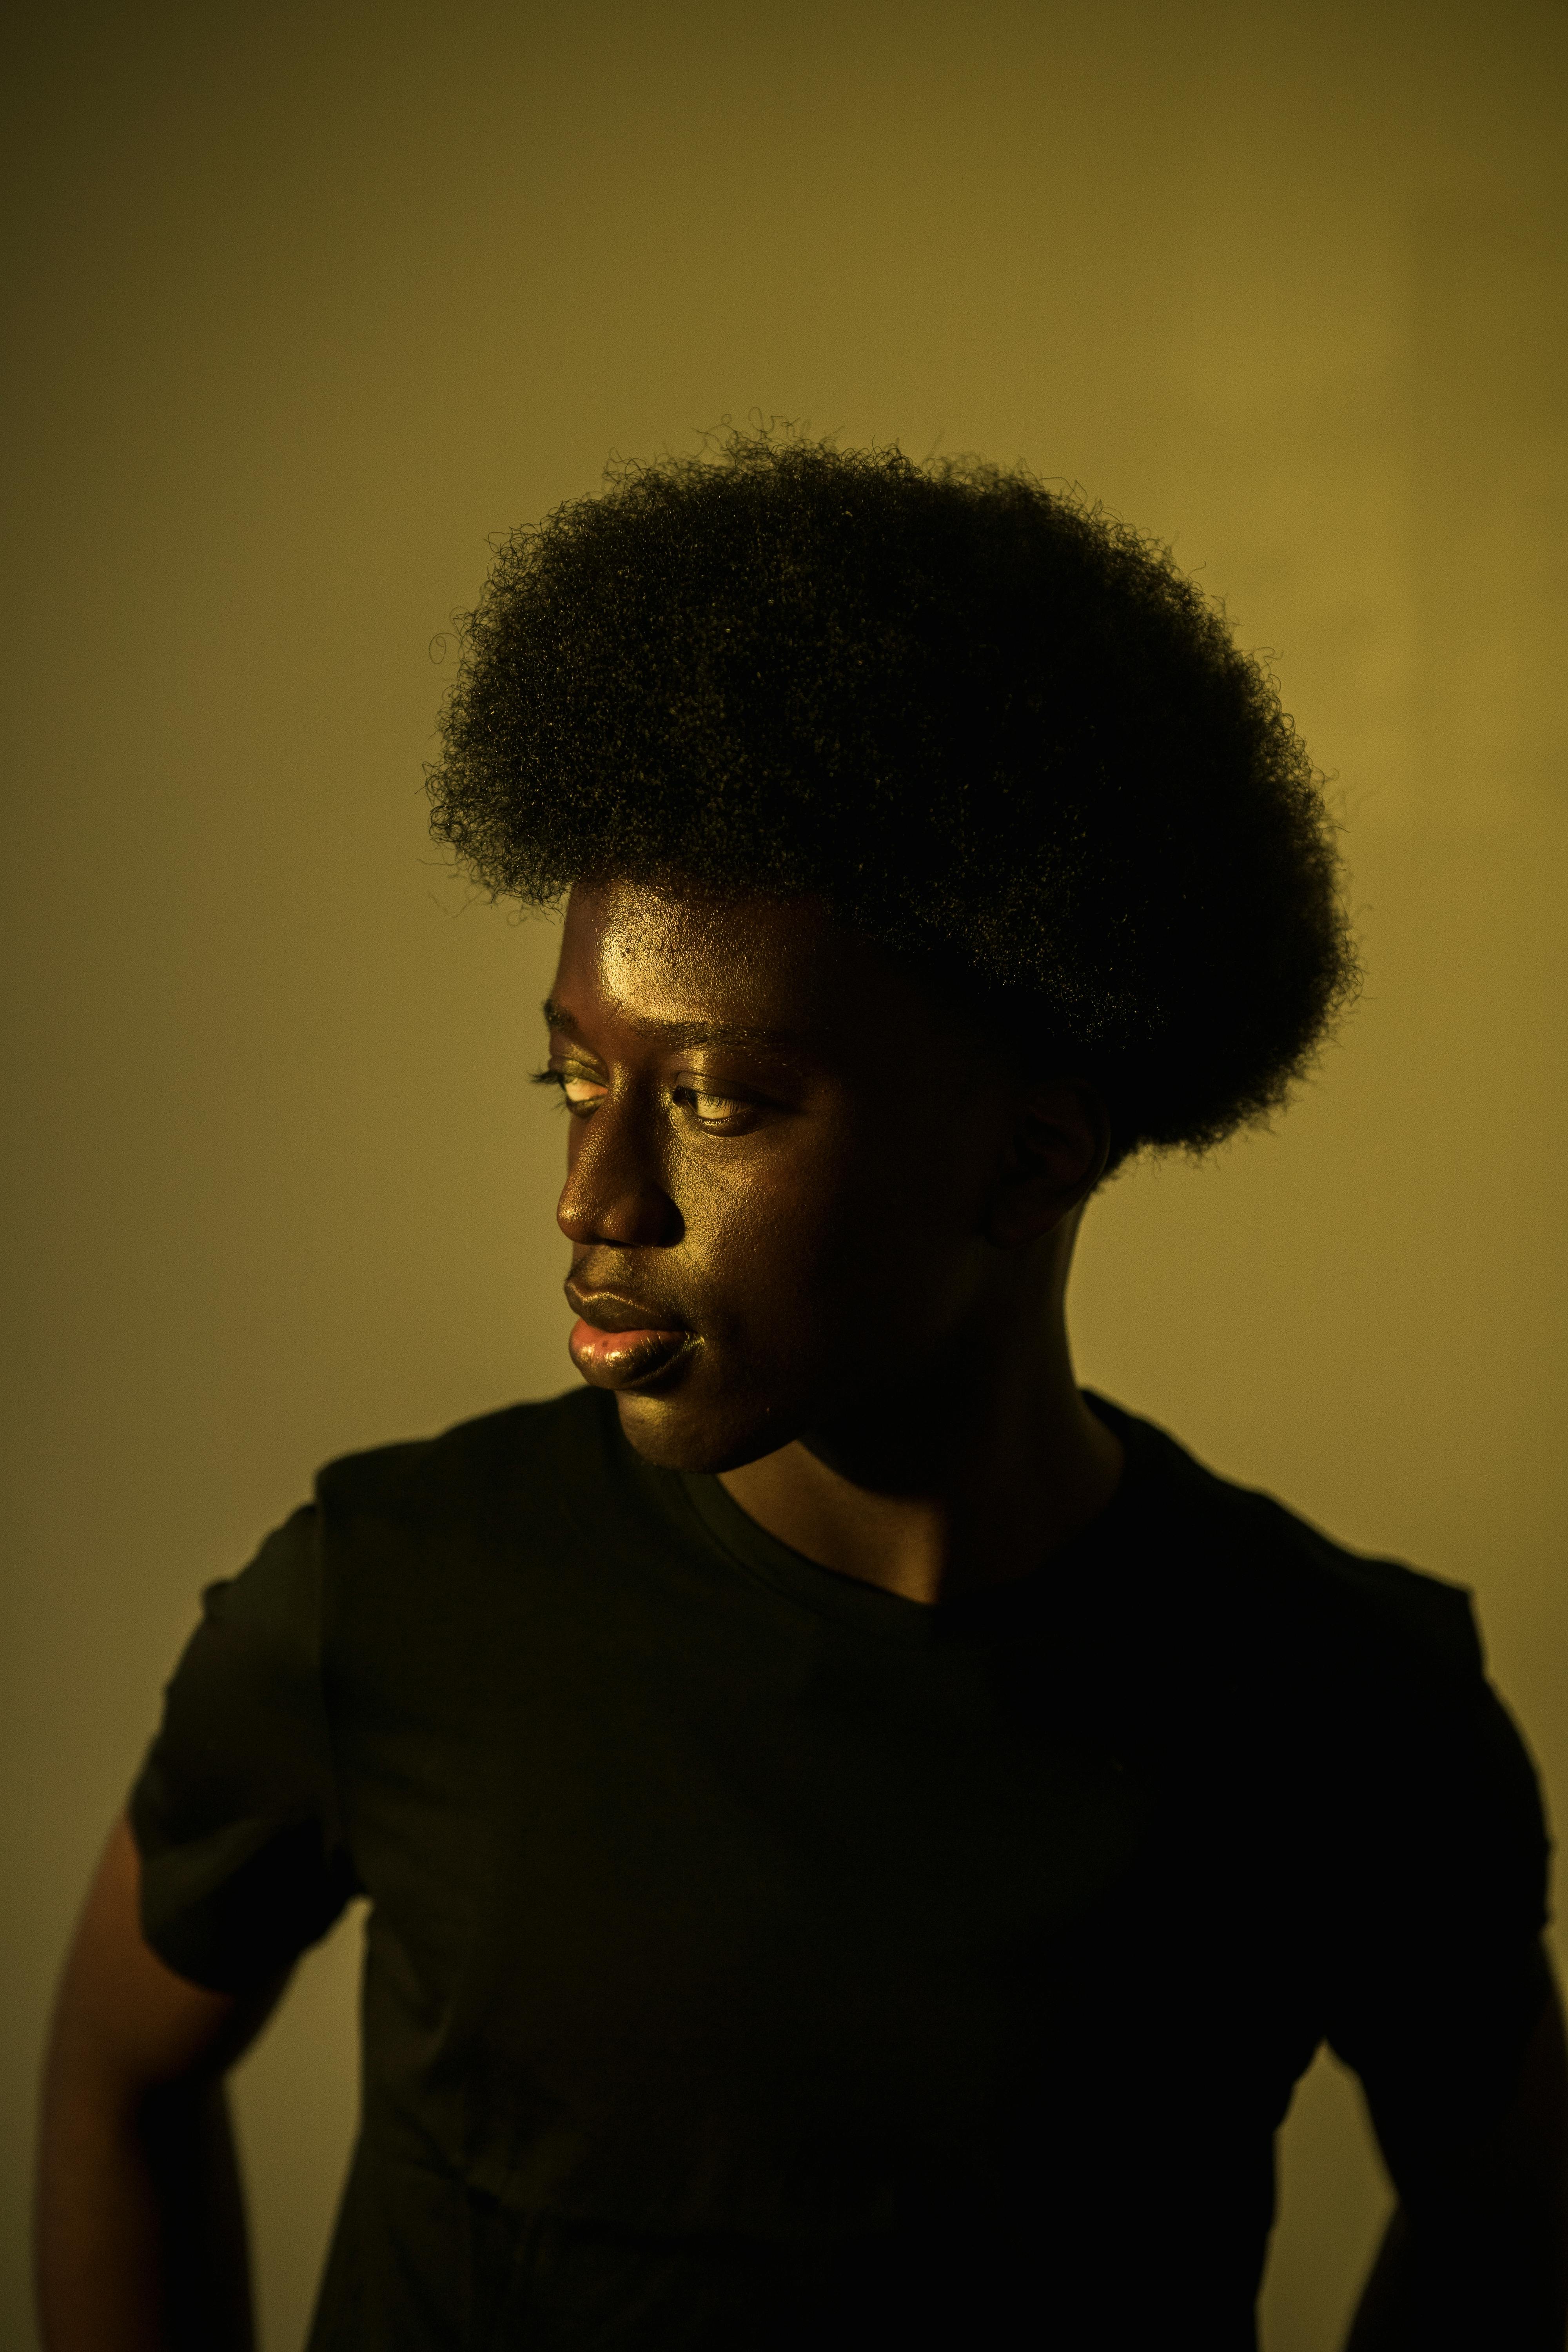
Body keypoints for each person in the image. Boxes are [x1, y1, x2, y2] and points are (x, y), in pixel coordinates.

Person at [34, 430, 1566, 2350]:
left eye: (719, 1100)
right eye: (572, 1078)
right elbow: (114, 2078)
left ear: (1025, 1164)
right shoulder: (385, 1601)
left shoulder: (1343, 1717)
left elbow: (1513, 2230)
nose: (594, 1201)